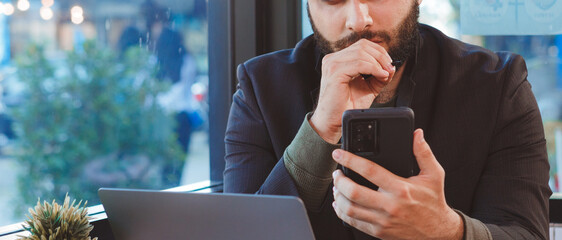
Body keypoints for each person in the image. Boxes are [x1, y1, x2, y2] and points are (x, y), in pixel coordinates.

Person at [224, 0, 551, 239]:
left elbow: (526, 233)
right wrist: (320, 129)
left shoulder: (497, 84)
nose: (358, 20)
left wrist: (446, 231)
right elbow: (236, 234)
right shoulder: (260, 87)